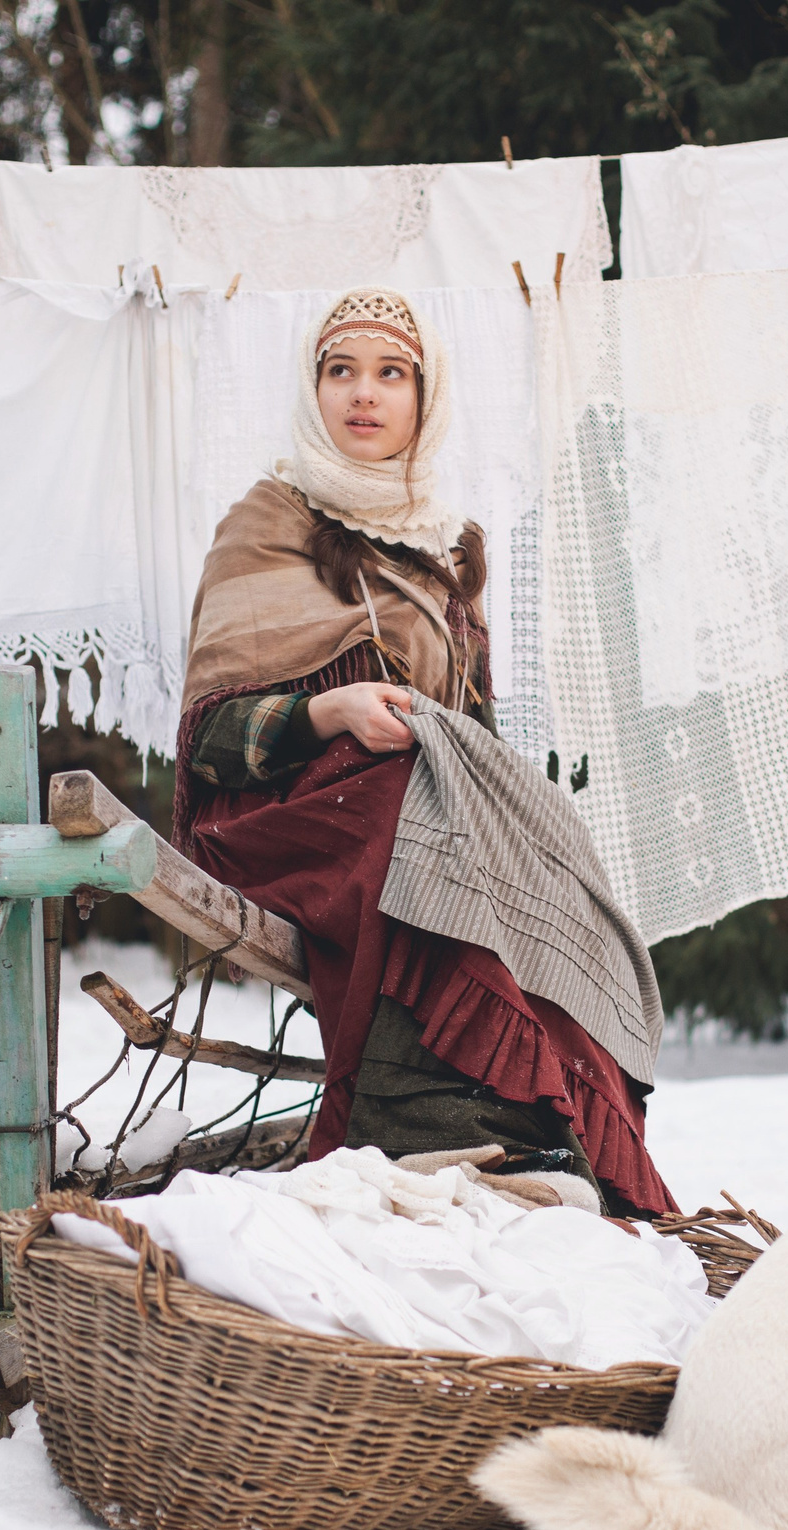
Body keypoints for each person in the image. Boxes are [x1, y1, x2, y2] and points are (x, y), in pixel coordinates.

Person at [175, 287, 676, 1218]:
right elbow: (209, 742)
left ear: (423, 397)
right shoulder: (266, 521)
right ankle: (417, 1112)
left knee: (533, 846)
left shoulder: (448, 553)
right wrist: (330, 714)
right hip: (276, 816)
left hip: (399, 806)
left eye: (390, 373)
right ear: (313, 391)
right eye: (340, 371)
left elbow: (473, 744)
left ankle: (531, 1114)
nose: (363, 395)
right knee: (411, 805)